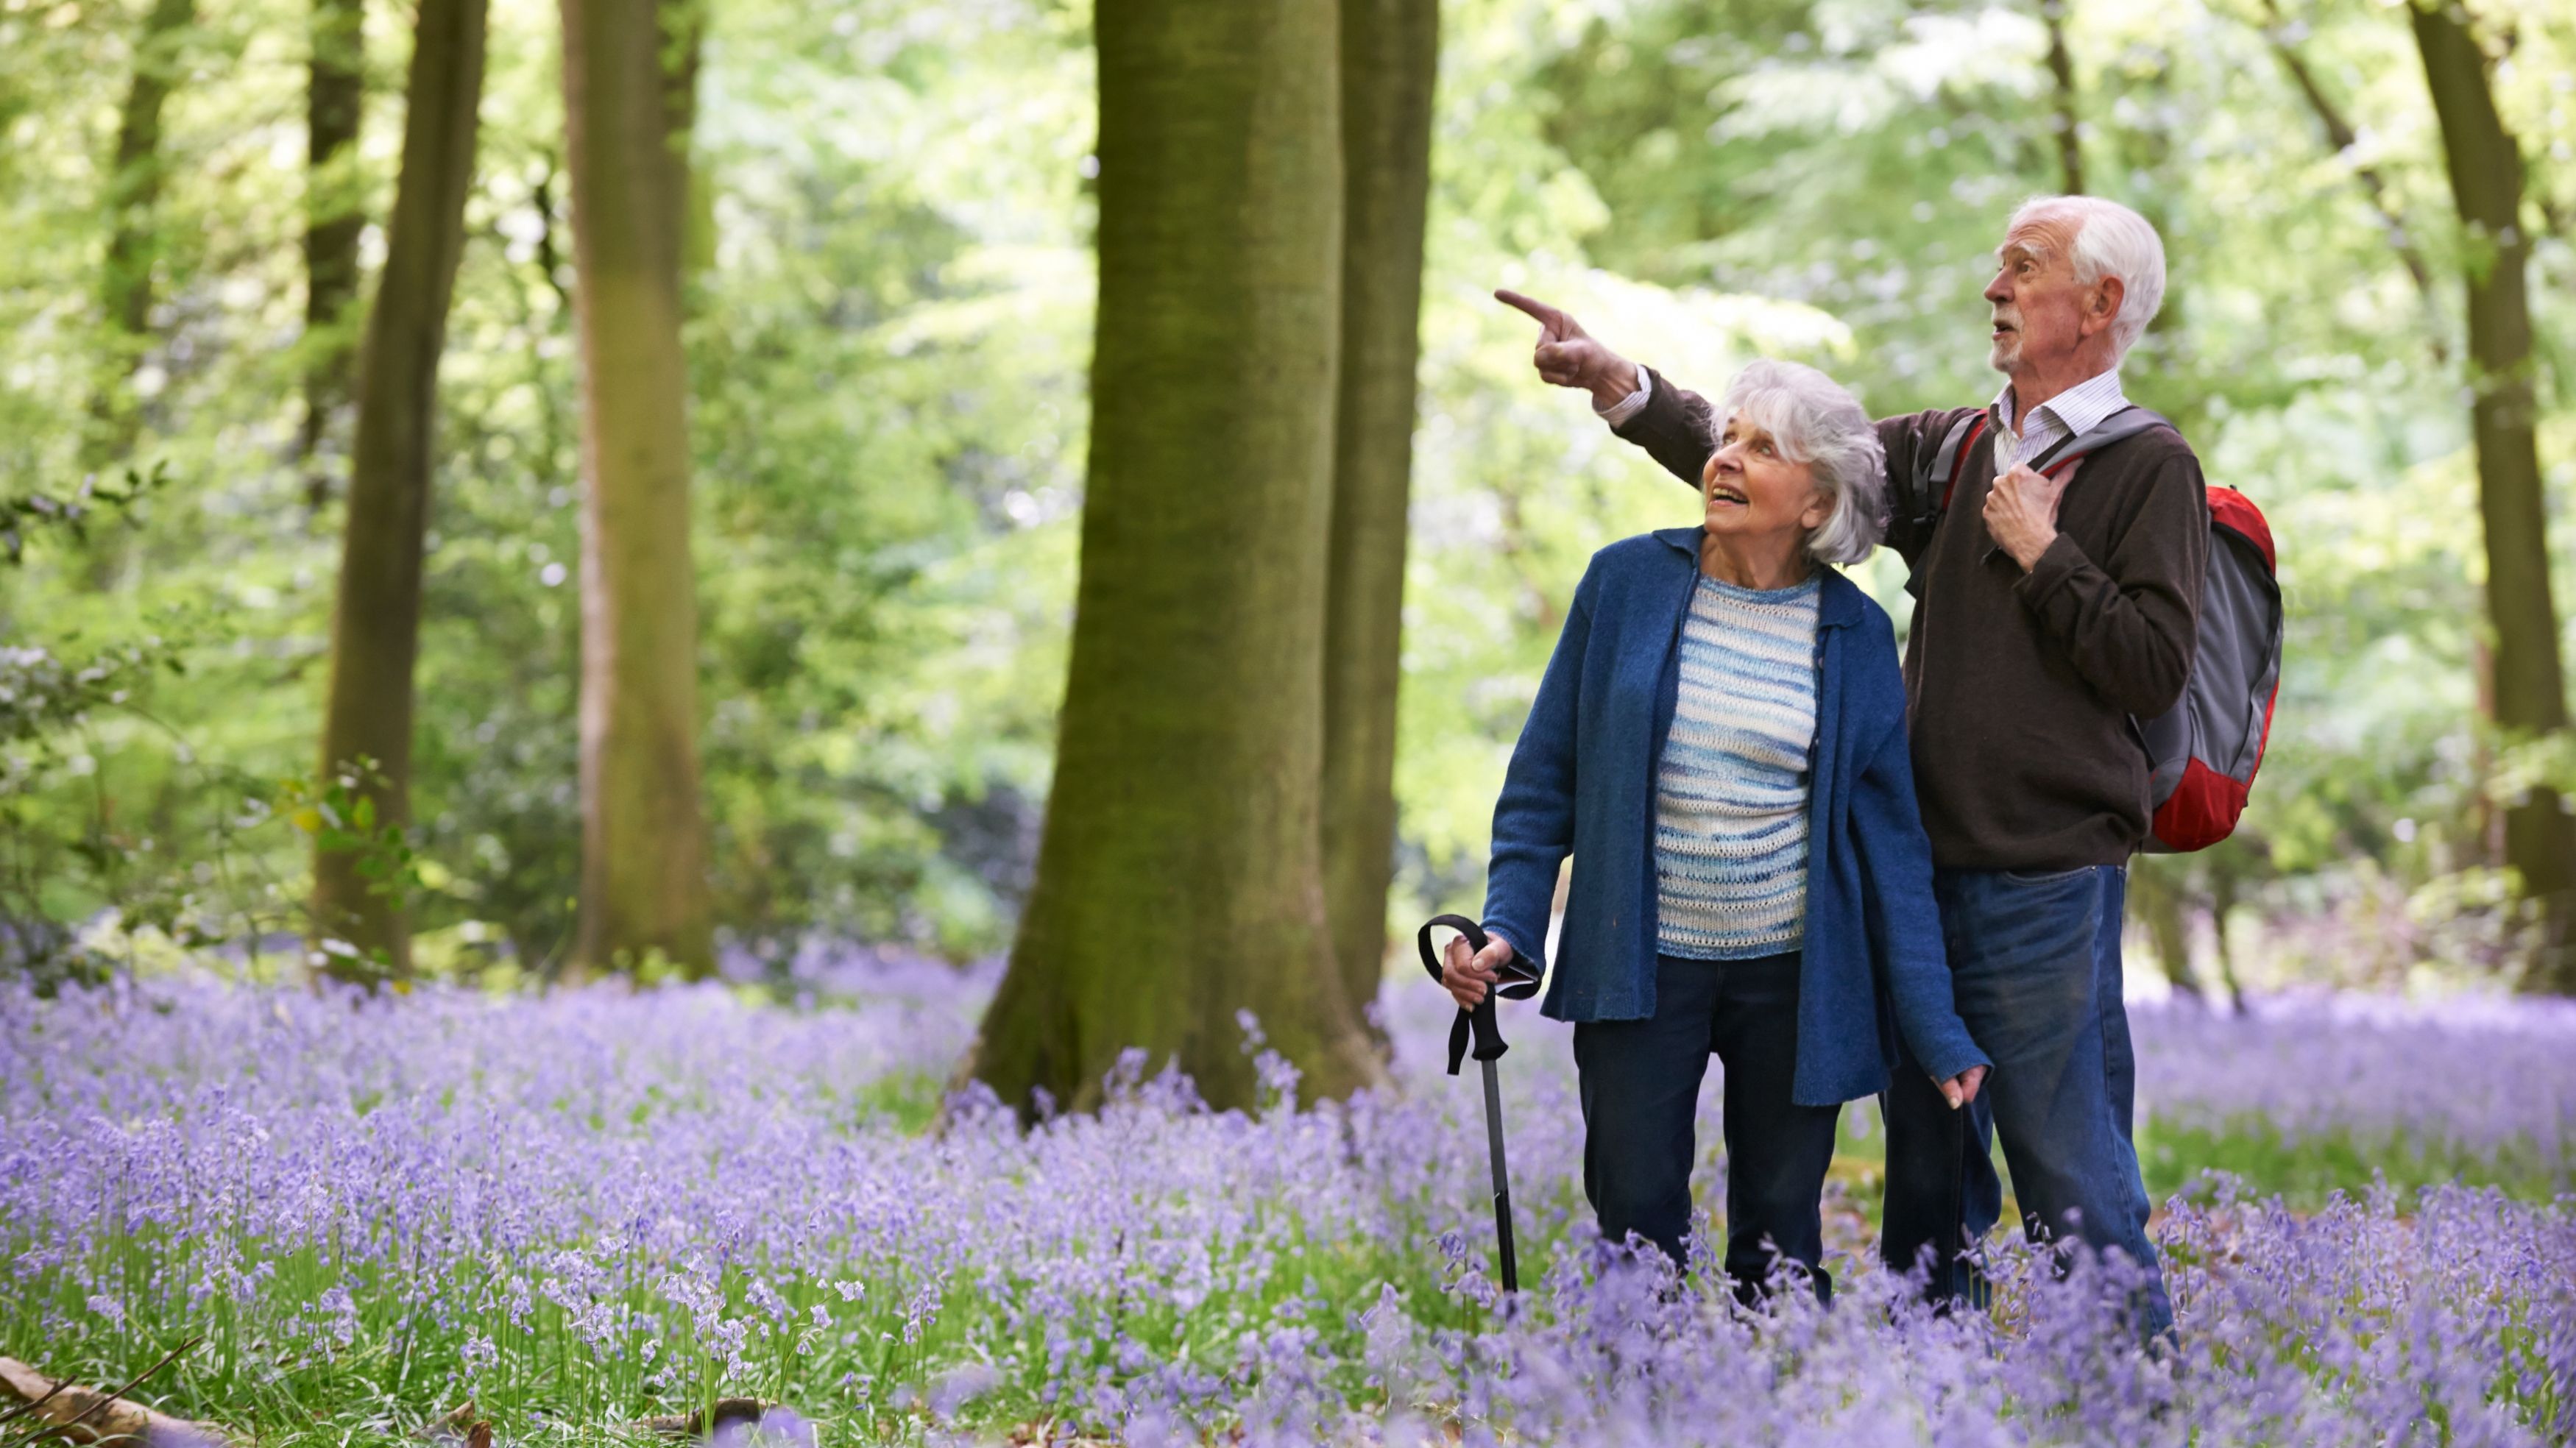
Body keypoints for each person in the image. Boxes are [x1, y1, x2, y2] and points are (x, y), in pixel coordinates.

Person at [1496, 194, 2204, 1337]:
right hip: (1907, 882)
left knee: (2063, 1161)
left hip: (2043, 882)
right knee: (1930, 1181)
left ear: (2101, 302)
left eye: (2024, 268)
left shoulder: (2151, 466)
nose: (1996, 288)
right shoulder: (1956, 446)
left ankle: (2129, 1386)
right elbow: (1794, 478)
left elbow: (2155, 667)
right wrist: (1627, 390)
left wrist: (2045, 553)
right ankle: (1933, 1381)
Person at [1440, 358, 1989, 1306]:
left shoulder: (1855, 633)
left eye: (1761, 448)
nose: (1726, 459)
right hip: (1638, 962)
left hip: (1794, 976)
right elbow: (1543, 783)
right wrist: (1509, 927)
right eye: (1728, 437)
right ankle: (1639, 1408)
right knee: (1635, 1221)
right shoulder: (1625, 584)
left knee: (1779, 1239)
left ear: (1816, 503)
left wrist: (1938, 1033)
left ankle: (1764, 1398)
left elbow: (1894, 850)